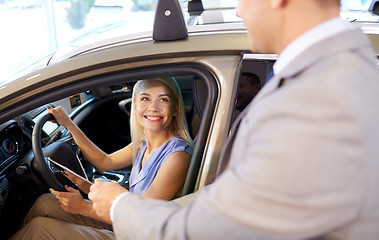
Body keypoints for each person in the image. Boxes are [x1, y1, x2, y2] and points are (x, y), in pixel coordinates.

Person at [88, 0, 379, 239]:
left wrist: (118, 205)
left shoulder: (318, 100)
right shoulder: (337, 75)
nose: (239, 11)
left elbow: (210, 232)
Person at [11, 77, 193, 239]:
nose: (153, 107)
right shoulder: (142, 144)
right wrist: (84, 184)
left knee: (40, 228)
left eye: (163, 99)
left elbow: (142, 216)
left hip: (140, 232)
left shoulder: (177, 156)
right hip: (127, 220)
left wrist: (84, 207)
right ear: (135, 105)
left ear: (175, 109)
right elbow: (105, 163)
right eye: (145, 98)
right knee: (46, 202)